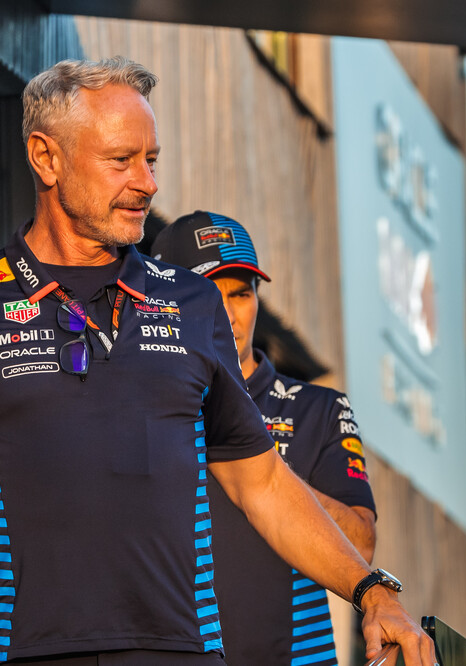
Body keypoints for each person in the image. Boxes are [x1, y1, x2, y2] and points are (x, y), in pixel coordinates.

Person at [0, 57, 436, 666]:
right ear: (46, 158)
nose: (147, 183)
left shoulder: (193, 302)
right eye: (120, 160)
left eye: (150, 160)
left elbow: (261, 483)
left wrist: (372, 592)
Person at [152, 211, 379, 665]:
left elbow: (360, 543)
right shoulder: (147, 408)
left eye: (241, 293)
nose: (231, 314)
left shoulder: (317, 408)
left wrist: (261, 471)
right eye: (210, 295)